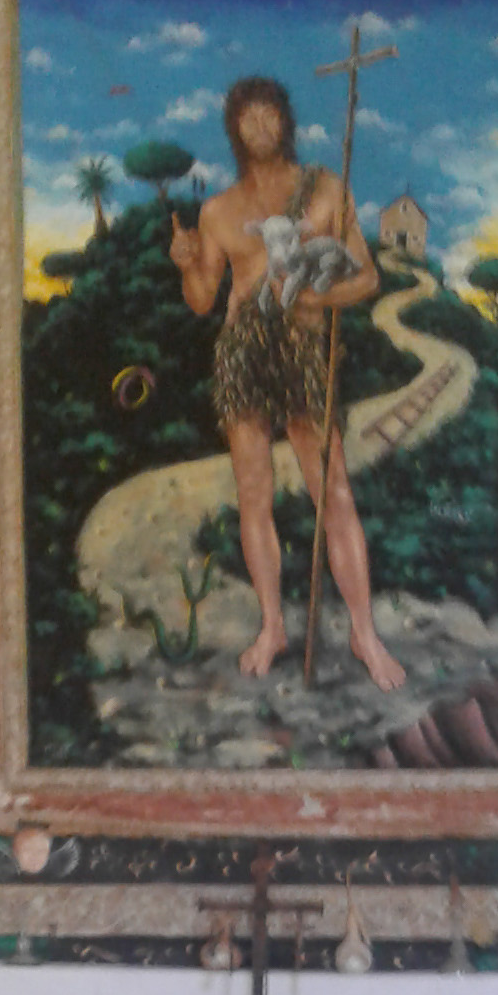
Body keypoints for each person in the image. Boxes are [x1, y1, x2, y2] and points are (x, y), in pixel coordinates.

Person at [168, 73, 405, 690]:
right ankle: (272, 627)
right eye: (246, 118)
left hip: (301, 349)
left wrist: (314, 300)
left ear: (285, 120)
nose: (259, 127)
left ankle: (364, 634)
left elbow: (367, 279)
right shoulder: (218, 211)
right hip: (242, 354)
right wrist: (188, 263)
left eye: (268, 114)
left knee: (335, 492)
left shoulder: (324, 190)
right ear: (234, 130)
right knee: (254, 494)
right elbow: (202, 301)